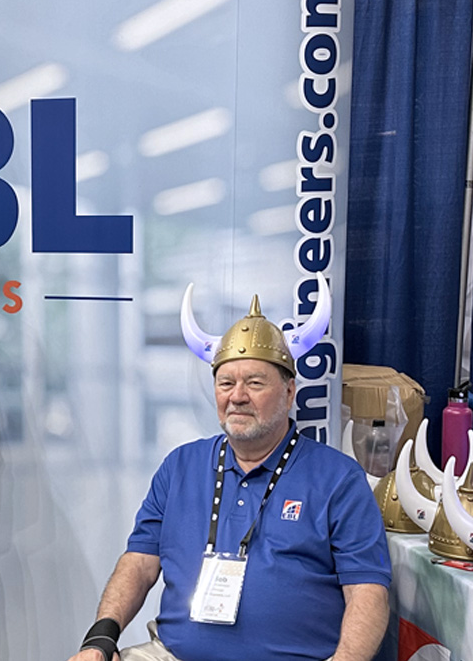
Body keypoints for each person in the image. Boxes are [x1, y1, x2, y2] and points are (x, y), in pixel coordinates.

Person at [70, 280, 391, 661]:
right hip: (172, 654)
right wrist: (100, 639)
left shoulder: (339, 479)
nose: (237, 396)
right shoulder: (180, 467)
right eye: (226, 383)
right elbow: (139, 563)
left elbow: (368, 590)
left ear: (290, 393)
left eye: (255, 383)